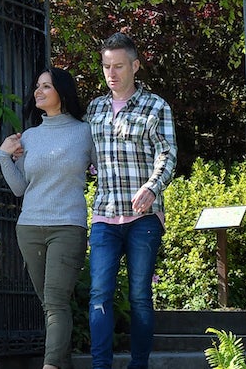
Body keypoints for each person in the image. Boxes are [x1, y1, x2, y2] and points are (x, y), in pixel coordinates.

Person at [86, 32, 178, 369]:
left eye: (119, 66)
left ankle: (139, 365)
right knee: (99, 295)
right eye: (106, 66)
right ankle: (101, 366)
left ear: (135, 66)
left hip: (143, 218)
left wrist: (152, 187)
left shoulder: (156, 106)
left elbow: (167, 156)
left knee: (139, 297)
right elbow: (84, 154)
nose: (112, 73)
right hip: (104, 217)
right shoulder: (94, 108)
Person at [0, 68, 94, 369]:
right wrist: (3, 156)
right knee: (50, 306)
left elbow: (106, 174)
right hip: (29, 228)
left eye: (46, 86)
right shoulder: (30, 136)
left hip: (68, 226)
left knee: (55, 302)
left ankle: (50, 366)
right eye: (37, 86)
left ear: (62, 93)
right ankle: (60, 364)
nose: (37, 92)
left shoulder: (85, 132)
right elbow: (19, 189)